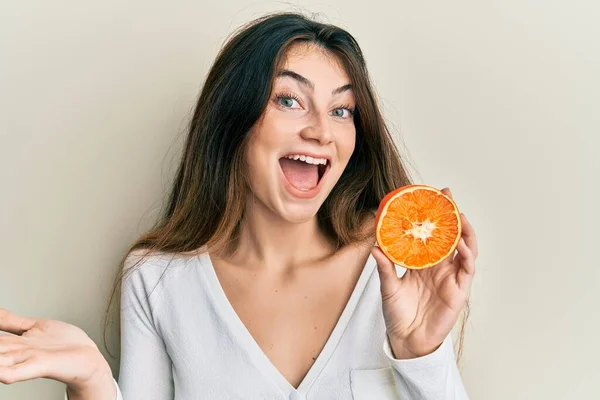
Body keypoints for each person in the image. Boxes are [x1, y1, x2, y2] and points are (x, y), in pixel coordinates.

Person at [0, 12, 477, 400]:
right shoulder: (158, 279)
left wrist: (422, 354)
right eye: (289, 101)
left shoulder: (398, 274)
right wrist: (92, 384)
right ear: (234, 120)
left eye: (341, 110)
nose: (321, 131)